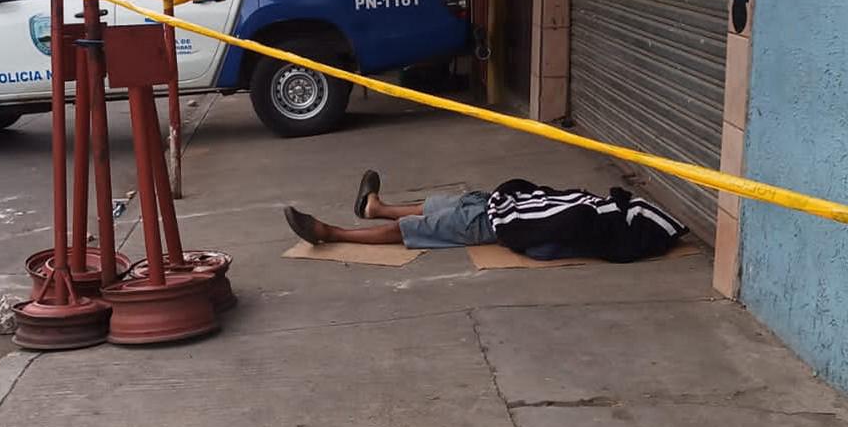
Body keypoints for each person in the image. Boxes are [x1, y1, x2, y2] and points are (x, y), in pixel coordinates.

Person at [284, 171, 688, 263]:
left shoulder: (590, 224)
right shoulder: (599, 210)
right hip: (495, 202)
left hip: (492, 221)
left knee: (416, 229)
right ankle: (376, 207)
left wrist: (511, 219)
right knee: (440, 204)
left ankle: (330, 232)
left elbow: (540, 246)